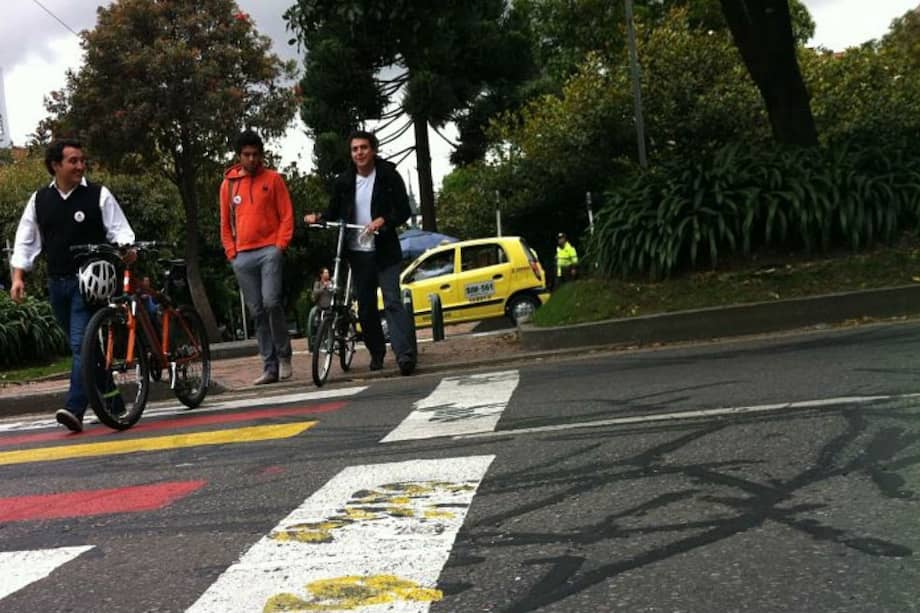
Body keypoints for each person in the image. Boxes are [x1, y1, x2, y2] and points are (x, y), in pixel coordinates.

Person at [10, 138, 135, 432]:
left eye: (82, 160)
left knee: (81, 344)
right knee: (84, 348)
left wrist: (127, 248)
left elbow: (120, 230)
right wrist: (18, 277)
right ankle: (114, 402)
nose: (80, 166)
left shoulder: (98, 195)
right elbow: (25, 241)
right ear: (56, 165)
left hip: (91, 284)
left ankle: (74, 408)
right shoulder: (39, 200)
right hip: (58, 284)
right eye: (73, 161)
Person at [304, 130, 416, 375]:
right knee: (365, 307)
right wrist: (319, 217)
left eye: (364, 148)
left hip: (384, 250)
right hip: (358, 253)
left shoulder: (388, 175)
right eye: (355, 149)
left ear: (372, 150)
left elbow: (403, 211)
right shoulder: (344, 181)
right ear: (350, 153)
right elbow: (334, 211)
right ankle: (377, 353)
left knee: (392, 301)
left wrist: (383, 220)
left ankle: (404, 355)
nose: (359, 153)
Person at [220, 130, 295, 385]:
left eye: (255, 154)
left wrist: (280, 244)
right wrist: (231, 252)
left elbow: (286, 214)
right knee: (257, 311)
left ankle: (284, 355)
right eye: (246, 155)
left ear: (261, 155)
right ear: (239, 156)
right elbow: (224, 222)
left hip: (269, 250)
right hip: (242, 256)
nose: (251, 159)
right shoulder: (228, 185)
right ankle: (269, 365)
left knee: (272, 302)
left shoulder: (273, 179)